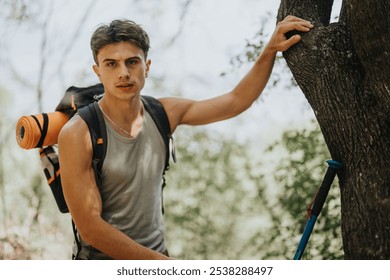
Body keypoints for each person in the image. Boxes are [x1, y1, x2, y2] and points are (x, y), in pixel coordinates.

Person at [58, 15, 314, 260]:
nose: (123, 72)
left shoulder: (162, 114)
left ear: (147, 67)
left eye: (132, 62)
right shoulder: (78, 133)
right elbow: (90, 228)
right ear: (97, 71)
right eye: (111, 64)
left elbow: (235, 101)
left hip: (158, 258)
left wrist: (270, 50)